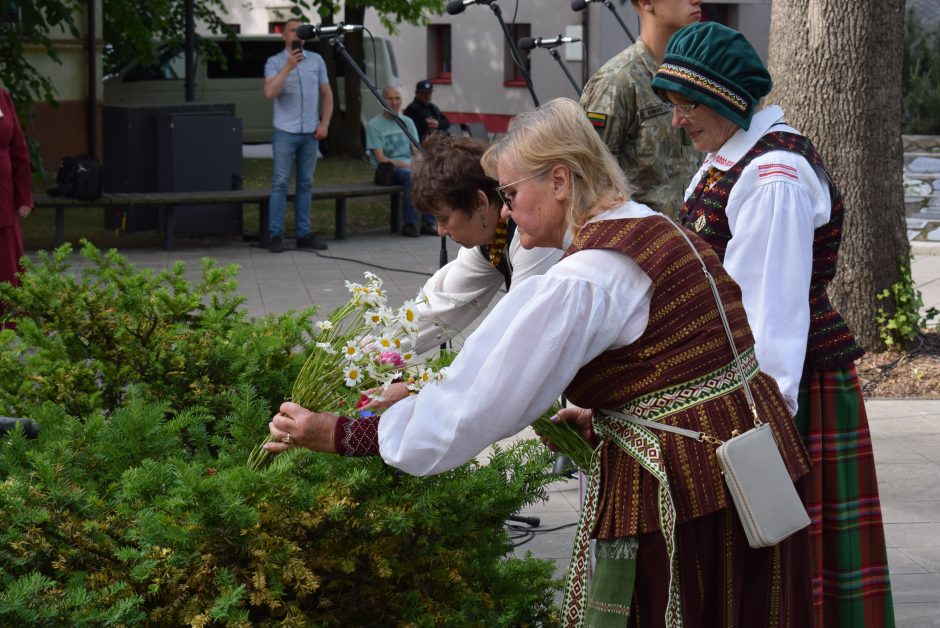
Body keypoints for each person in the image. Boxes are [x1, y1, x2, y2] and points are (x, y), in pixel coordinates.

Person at [266, 97, 813, 626]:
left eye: (509, 193)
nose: (503, 210)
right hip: (745, 467)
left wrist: (346, 434)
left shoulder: (587, 276)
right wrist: (607, 418)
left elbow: (478, 401)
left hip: (689, 490)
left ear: (558, 180)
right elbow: (687, 371)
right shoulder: (653, 225)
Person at [652, 22, 894, 627]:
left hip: (785, 391)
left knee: (788, 553)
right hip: (751, 385)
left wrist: (759, 434)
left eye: (688, 104)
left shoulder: (771, 175)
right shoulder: (725, 158)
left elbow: (769, 315)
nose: (677, 120)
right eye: (673, 104)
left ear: (729, 100)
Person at [579, 0, 702, 218]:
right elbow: (588, 184)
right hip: (639, 245)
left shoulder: (694, 74)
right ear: (647, 3)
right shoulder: (617, 82)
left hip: (690, 242)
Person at [263, 18, 332, 253]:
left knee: (306, 183)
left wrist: (325, 123)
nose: (297, 34)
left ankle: (303, 234)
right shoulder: (274, 62)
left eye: (300, 31)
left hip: (310, 132)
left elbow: (327, 93)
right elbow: (270, 93)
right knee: (280, 183)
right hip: (285, 131)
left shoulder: (317, 60)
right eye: (292, 31)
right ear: (284, 36)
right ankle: (275, 235)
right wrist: (288, 67)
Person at [367, 85, 437, 238]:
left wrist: (420, 164)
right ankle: (410, 224)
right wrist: (408, 166)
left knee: (427, 174)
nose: (394, 102)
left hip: (409, 166)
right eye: (390, 98)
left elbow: (416, 150)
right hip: (387, 170)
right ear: (382, 100)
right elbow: (380, 158)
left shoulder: (407, 122)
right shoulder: (374, 125)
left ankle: (428, 222)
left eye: (397, 98)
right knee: (411, 177)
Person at [0, 87, 33, 324]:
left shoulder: (2, 96)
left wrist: (24, 197)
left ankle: (9, 332)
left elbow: (19, 148)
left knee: (7, 272)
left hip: (3, 202)